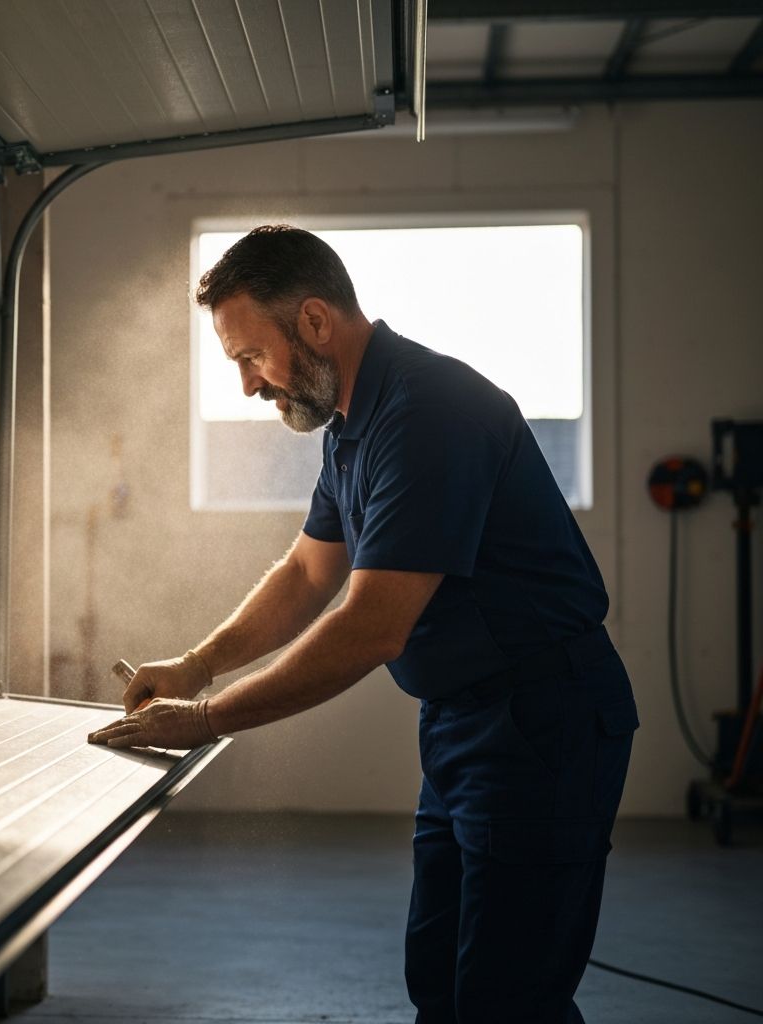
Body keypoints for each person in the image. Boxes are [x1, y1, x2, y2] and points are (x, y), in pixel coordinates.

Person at [89, 225, 639, 1024]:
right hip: (463, 724)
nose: (247, 386)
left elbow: (371, 625)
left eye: (250, 357)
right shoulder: (352, 423)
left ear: (314, 322)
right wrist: (196, 666)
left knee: (508, 1000)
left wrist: (206, 719)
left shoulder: (429, 414)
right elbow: (309, 573)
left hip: (542, 721)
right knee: (441, 980)